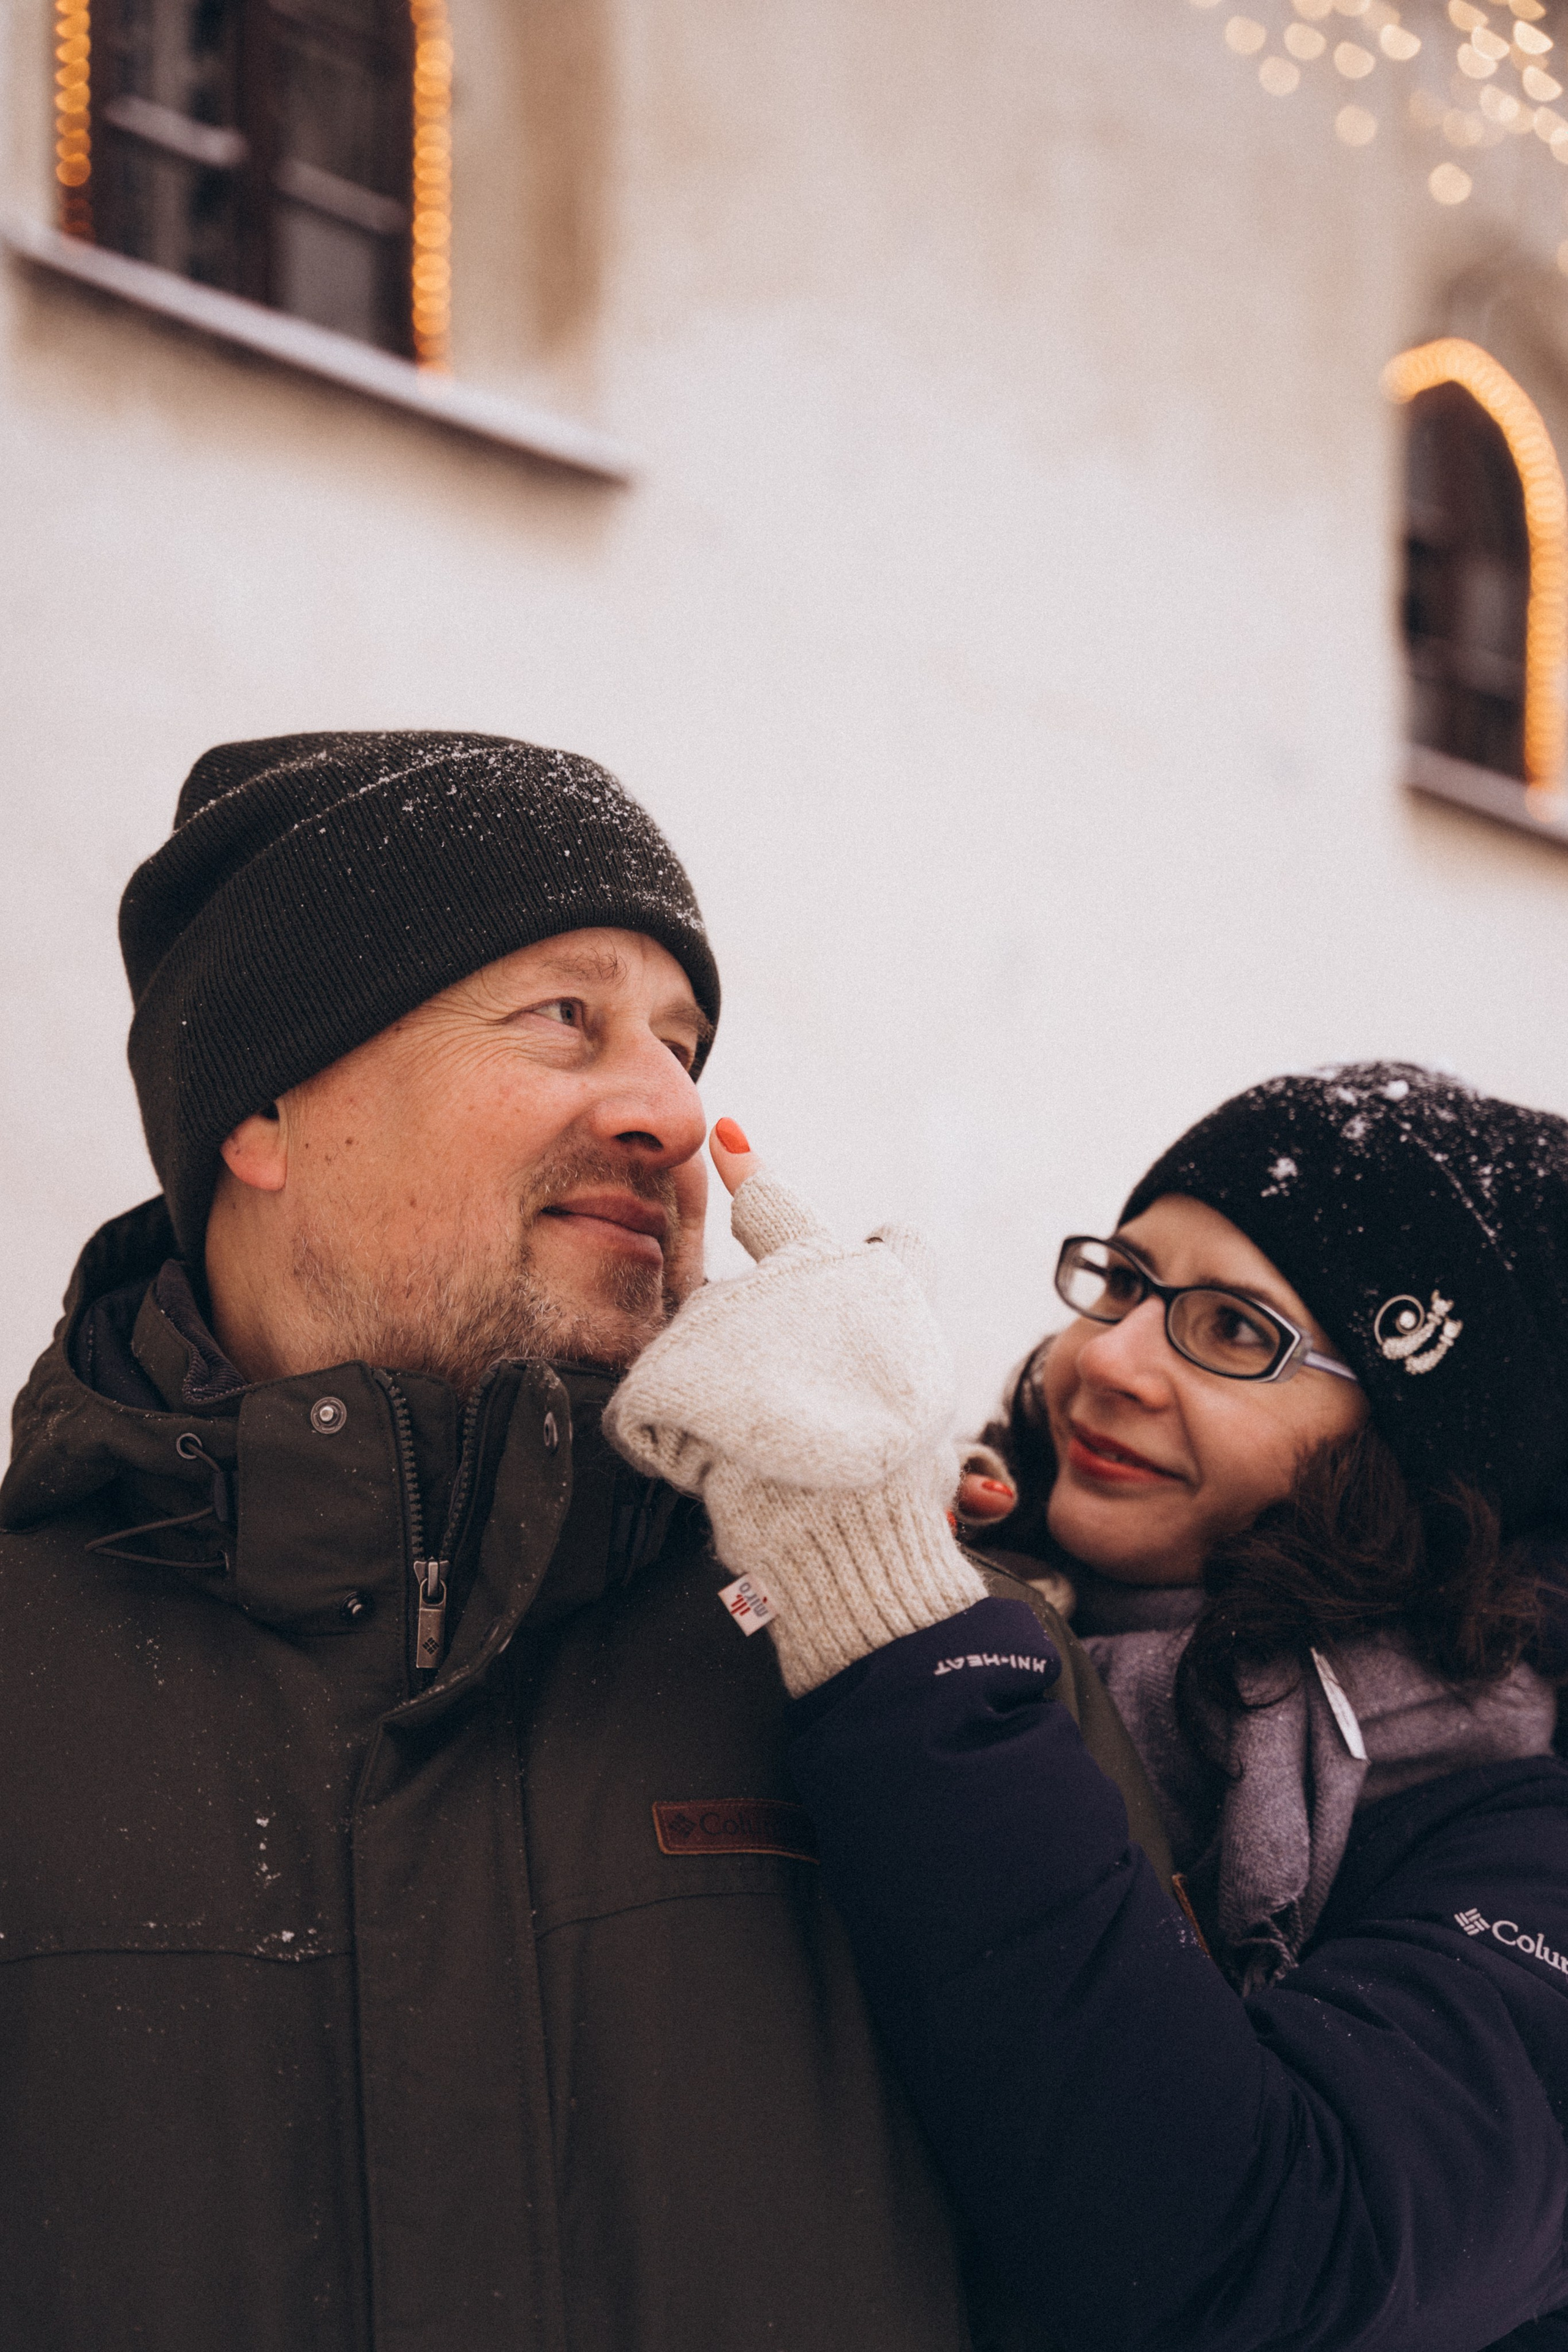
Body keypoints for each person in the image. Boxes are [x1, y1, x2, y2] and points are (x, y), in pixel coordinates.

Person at [0, 728, 1166, 2352]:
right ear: (260, 1112)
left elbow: (1168, 2256)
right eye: (570, 1018)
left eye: (685, 1044)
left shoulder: (906, 1674)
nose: (674, 1114)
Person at [610, 1065, 1568, 2352]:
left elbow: (1256, 2262)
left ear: (1417, 1449)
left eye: (1235, 1332)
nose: (1107, 1358)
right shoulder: (931, 1604)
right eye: (1121, 1283)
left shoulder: (1516, 1847)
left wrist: (902, 1631)